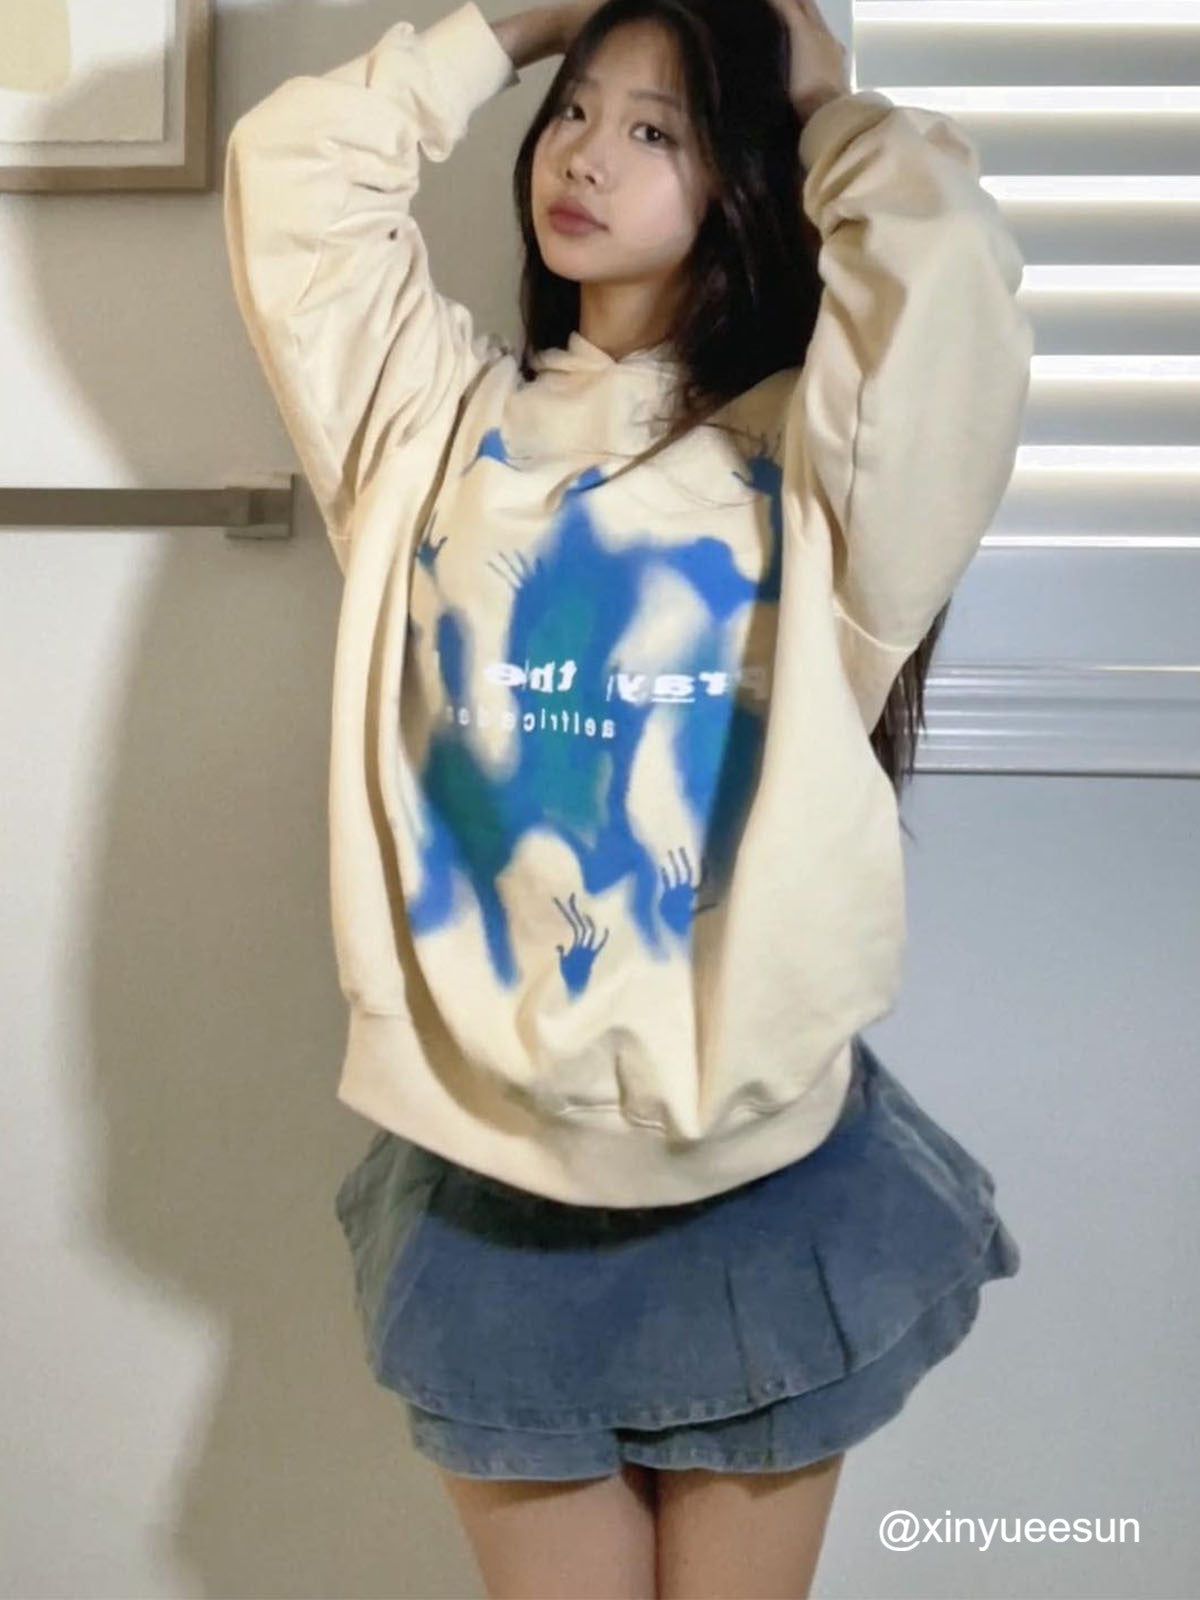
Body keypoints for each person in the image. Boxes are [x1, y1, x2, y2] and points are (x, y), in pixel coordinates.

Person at [223, 0, 1032, 1592]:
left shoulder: (820, 468)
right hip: (489, 1181)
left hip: (757, 1176)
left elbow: (946, 283)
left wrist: (819, 94)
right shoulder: (430, 430)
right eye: (577, 110)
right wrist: (514, 22)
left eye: (656, 129)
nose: (584, 156)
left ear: (741, 172)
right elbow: (293, 172)